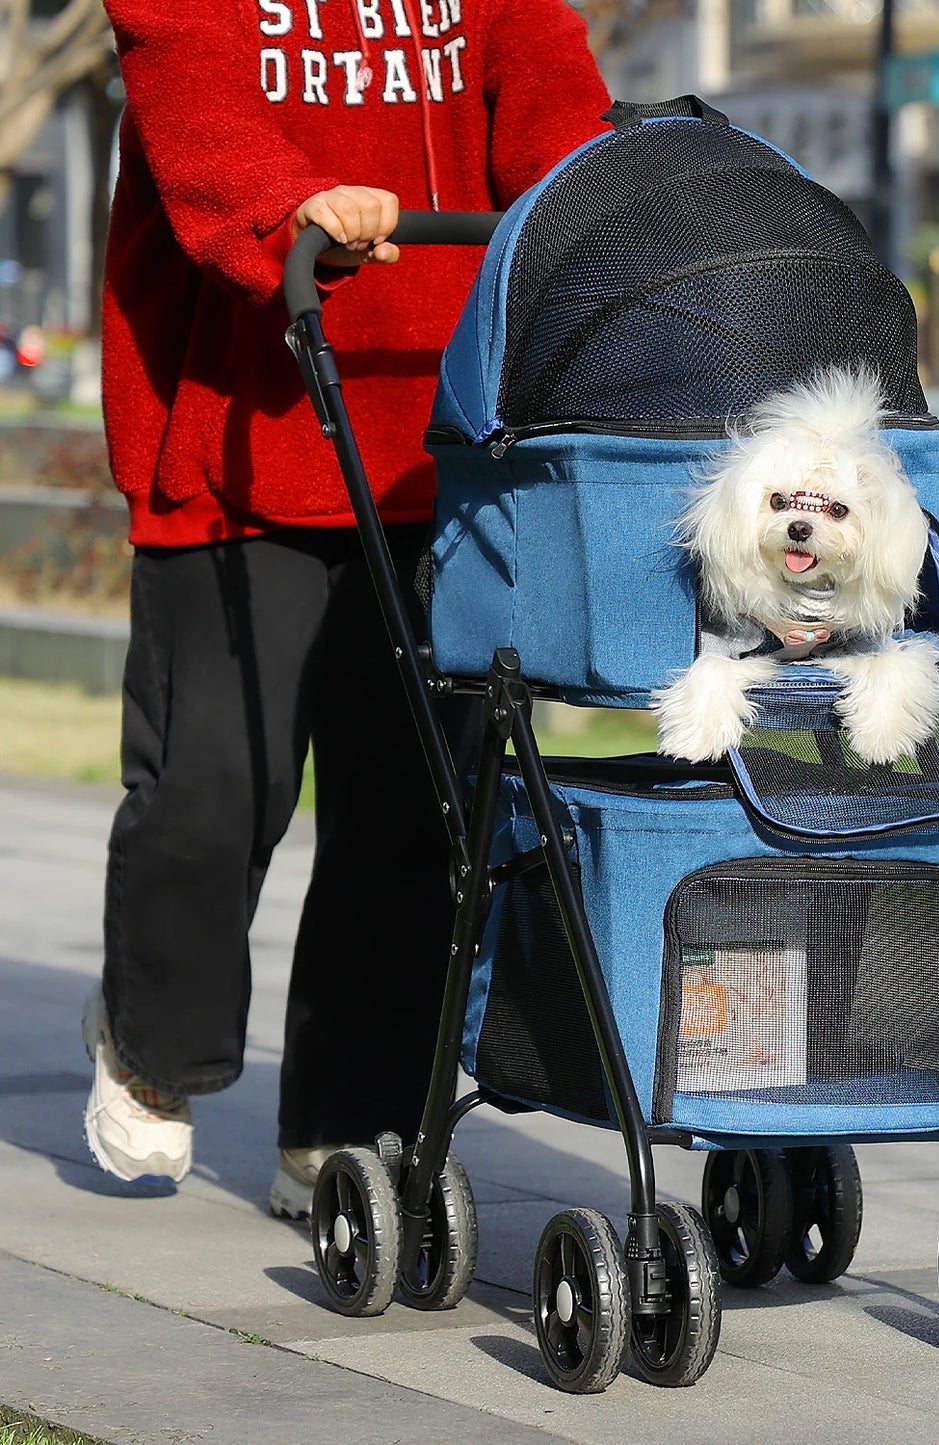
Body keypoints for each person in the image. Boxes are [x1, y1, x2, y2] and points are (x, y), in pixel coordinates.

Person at [84, 0, 611, 1216]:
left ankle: (345, 1124)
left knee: (409, 807)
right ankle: (152, 1051)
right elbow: (199, 116)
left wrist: (608, 203)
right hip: (238, 436)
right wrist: (297, 204)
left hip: (442, 448)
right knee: (212, 791)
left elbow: (552, 116)